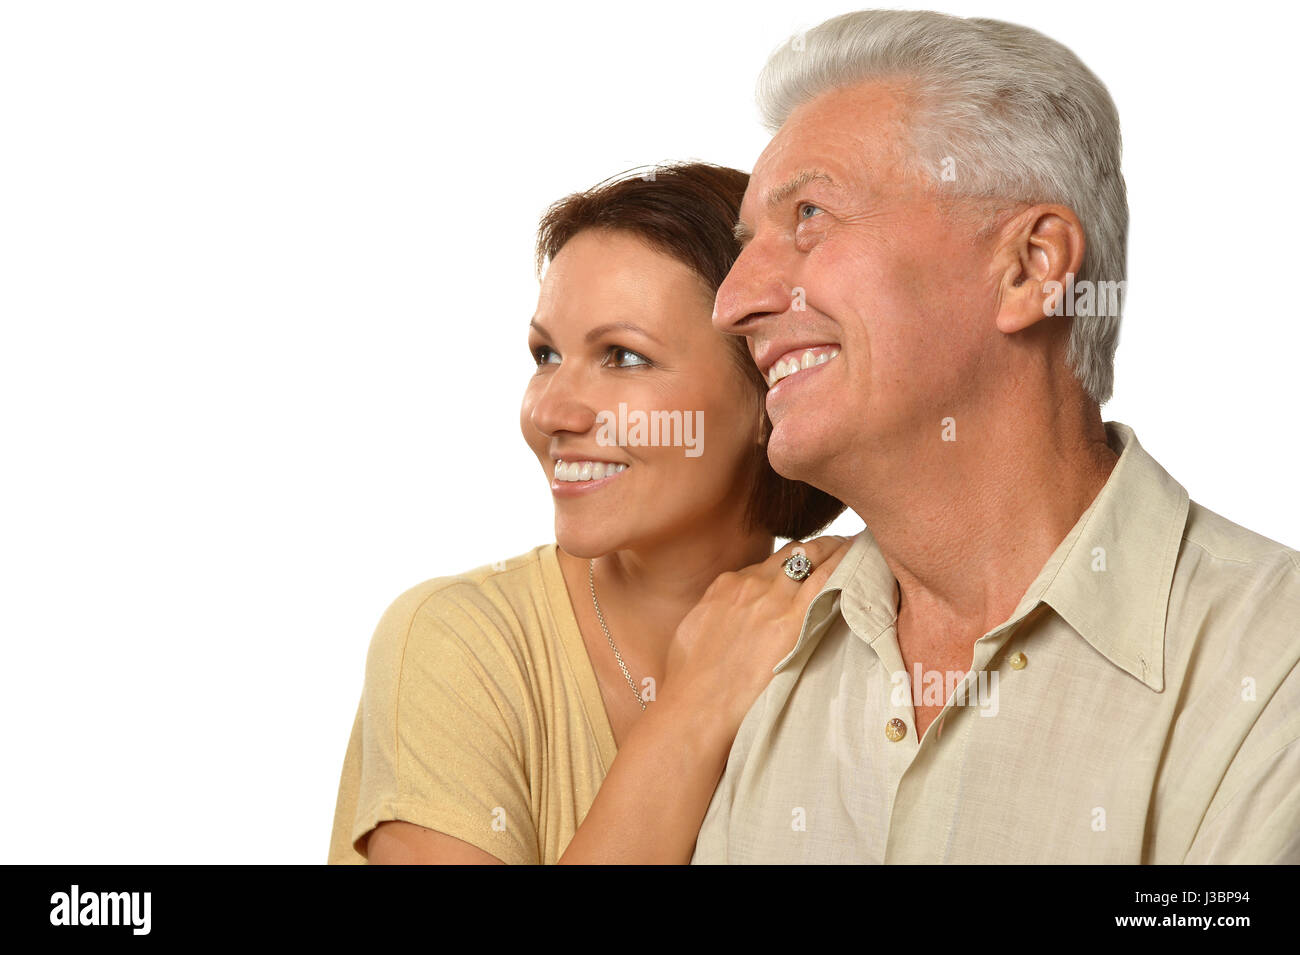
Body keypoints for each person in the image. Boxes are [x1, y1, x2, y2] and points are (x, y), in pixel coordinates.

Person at [693, 9, 1300, 864]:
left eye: (812, 215)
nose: (733, 303)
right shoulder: (755, 657)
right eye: (749, 244)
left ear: (1032, 267)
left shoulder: (1277, 665)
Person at [327, 162, 851, 864]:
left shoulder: (859, 631)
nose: (547, 411)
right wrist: (695, 706)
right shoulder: (457, 643)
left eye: (623, 357)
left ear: (769, 391)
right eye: (546, 353)